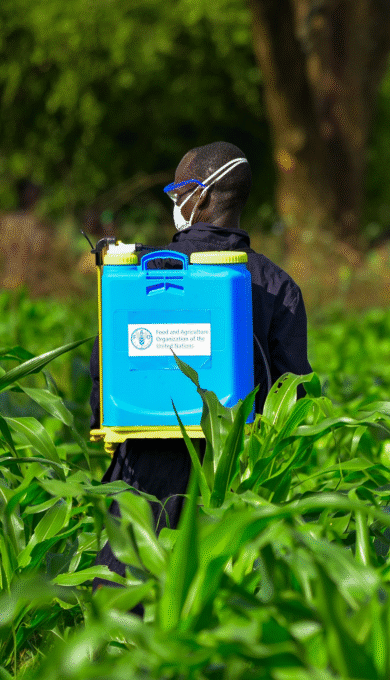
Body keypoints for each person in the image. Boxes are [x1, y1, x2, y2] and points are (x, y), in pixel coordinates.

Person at [90, 142, 312, 595]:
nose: (175, 204)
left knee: (123, 599)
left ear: (201, 196)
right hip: (233, 472)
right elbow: (295, 397)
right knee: (221, 601)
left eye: (177, 192)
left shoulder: (134, 275)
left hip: (145, 471)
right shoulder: (277, 286)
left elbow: (105, 376)